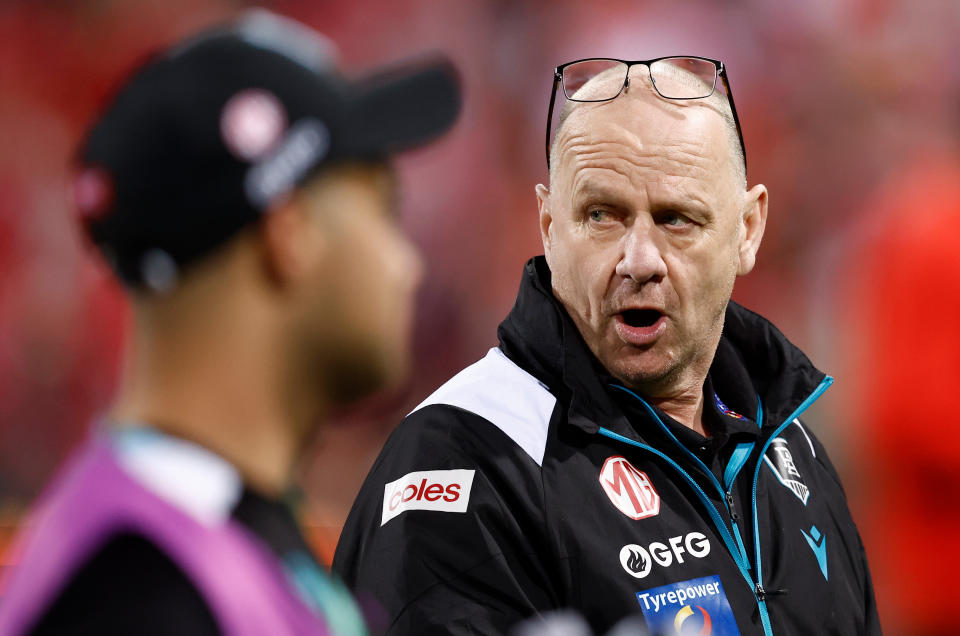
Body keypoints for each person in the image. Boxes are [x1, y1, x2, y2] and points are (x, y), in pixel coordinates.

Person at [333, 57, 880, 635]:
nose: (638, 261)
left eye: (676, 219)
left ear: (747, 230)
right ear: (548, 225)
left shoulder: (791, 451)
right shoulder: (467, 460)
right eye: (601, 216)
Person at [0, 10, 459, 636]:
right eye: (381, 208)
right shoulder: (133, 590)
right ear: (288, 232)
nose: (407, 264)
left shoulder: (212, 534)